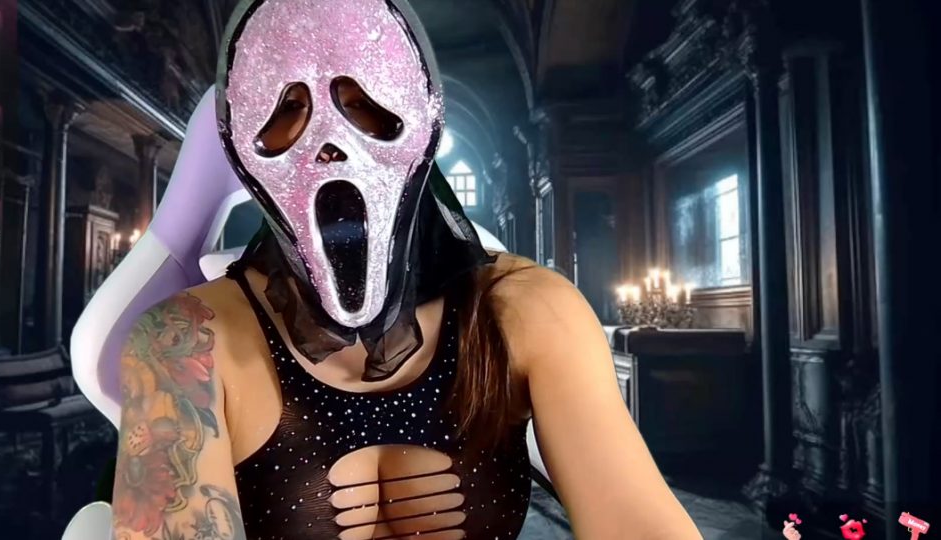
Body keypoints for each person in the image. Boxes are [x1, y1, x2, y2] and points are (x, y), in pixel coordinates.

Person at [110, 0, 701, 538]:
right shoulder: (183, 344)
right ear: (243, 142)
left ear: (421, 122)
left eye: (362, 100)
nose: (330, 141)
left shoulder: (532, 312)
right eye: (289, 105)